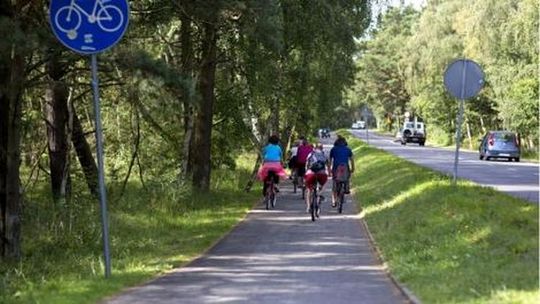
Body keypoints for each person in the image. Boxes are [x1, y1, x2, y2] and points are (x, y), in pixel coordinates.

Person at [304, 143, 330, 212]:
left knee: (309, 189)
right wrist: (329, 173)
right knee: (323, 183)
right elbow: (328, 165)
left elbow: (307, 163)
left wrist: (306, 171)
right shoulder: (324, 154)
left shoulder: (311, 154)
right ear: (322, 148)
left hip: (311, 173)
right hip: (321, 174)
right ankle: (320, 193)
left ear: (315, 148)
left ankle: (309, 207)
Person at [329, 135, 354, 207]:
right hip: (345, 167)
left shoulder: (333, 149)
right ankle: (346, 188)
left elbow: (330, 161)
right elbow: (352, 160)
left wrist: (329, 170)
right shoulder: (348, 149)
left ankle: (334, 201)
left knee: (334, 183)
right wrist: (352, 168)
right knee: (347, 177)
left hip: (336, 168)